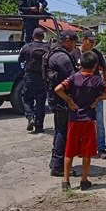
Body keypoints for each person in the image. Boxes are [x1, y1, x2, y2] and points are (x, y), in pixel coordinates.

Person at [54, 51, 106, 191]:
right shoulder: (97, 80)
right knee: (87, 152)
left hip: (74, 119)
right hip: (89, 120)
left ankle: (66, 181)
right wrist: (98, 99)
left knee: (69, 151)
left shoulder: (73, 78)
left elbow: (58, 89)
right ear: (95, 66)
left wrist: (69, 100)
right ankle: (84, 181)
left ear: (80, 64)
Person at [43, 30, 78, 176]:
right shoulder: (62, 56)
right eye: (74, 43)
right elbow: (73, 78)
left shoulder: (53, 53)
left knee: (59, 130)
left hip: (55, 98)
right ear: (67, 40)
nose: (75, 47)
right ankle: (58, 166)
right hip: (62, 99)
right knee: (62, 132)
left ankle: (55, 162)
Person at [71, 30, 106, 159]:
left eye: (94, 41)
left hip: (96, 93)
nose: (93, 43)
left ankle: (101, 148)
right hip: (79, 95)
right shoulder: (75, 53)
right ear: (84, 40)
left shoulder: (96, 54)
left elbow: (105, 68)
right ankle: (82, 148)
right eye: (91, 40)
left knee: (99, 121)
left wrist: (105, 83)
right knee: (81, 121)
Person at [18, 28, 49, 134]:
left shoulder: (27, 47)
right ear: (43, 36)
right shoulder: (48, 47)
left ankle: (30, 117)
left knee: (26, 98)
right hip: (43, 78)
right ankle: (39, 126)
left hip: (30, 77)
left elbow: (20, 60)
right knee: (41, 103)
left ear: (33, 35)